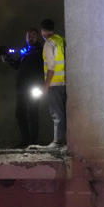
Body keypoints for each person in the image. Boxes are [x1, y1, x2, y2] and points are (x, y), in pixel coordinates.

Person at [0, 28, 44, 147]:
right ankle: (26, 141)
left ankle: (33, 142)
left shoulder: (42, 50)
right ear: (25, 38)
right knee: (20, 114)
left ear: (37, 37)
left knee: (33, 114)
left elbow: (46, 68)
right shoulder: (25, 51)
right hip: (22, 87)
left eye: (33, 35)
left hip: (34, 87)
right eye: (28, 35)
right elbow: (17, 66)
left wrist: (43, 84)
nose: (30, 37)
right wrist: (7, 58)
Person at [40, 18, 66, 148]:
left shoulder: (48, 44)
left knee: (56, 113)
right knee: (64, 112)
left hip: (54, 84)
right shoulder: (60, 40)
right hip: (65, 83)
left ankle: (57, 141)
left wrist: (45, 86)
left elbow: (51, 67)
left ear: (42, 31)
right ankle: (65, 140)